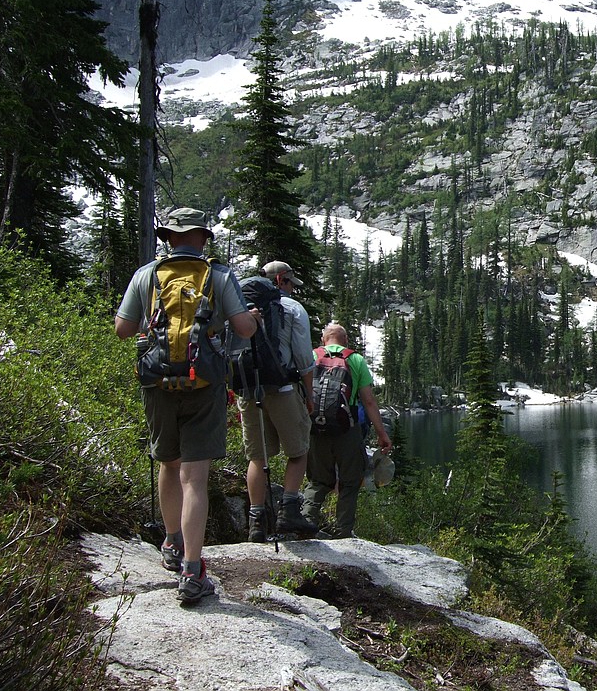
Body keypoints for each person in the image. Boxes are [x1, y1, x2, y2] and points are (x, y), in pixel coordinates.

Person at [114, 206, 259, 605]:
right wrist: (252, 320)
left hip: (158, 382)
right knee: (195, 477)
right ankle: (193, 572)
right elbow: (244, 329)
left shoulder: (147, 275)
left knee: (168, 463)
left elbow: (123, 329)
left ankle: (171, 542)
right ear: (202, 238)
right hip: (205, 383)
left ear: (168, 238)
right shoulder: (219, 275)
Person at [241, 260, 318, 541]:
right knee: (298, 450)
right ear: (281, 280)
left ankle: (256, 523)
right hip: (284, 388)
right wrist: (309, 394)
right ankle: (289, 512)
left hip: (249, 389)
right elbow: (303, 358)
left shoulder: (241, 304)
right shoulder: (293, 309)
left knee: (257, 457)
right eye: (289, 284)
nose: (292, 290)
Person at [302, 322, 393, 538]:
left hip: (315, 429)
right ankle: (343, 531)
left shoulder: (311, 356)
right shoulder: (355, 359)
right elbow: (369, 401)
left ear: (324, 340)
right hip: (347, 430)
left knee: (317, 481)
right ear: (345, 341)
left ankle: (305, 523)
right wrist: (382, 434)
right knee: (350, 481)